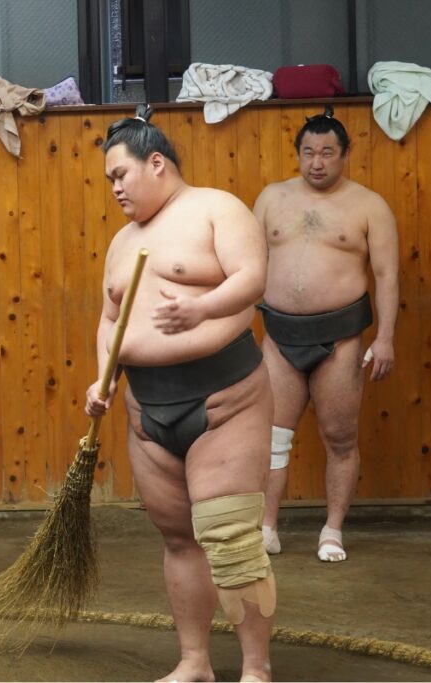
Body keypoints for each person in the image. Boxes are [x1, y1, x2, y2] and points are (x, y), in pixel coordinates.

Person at [86, 105, 275, 683]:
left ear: (158, 163)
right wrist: (105, 378)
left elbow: (251, 277)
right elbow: (108, 317)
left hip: (224, 400)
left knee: (229, 535)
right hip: (148, 411)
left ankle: (255, 669)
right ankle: (195, 662)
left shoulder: (217, 208)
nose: (114, 187)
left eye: (121, 174)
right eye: (109, 179)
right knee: (177, 539)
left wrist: (199, 306)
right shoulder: (122, 241)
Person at [254, 106, 398, 562]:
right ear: (298, 153)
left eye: (327, 153)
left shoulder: (370, 206)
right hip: (279, 336)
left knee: (340, 438)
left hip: (340, 340)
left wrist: (387, 338)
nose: (317, 162)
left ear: (344, 155)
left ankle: (332, 530)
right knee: (272, 437)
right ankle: (267, 526)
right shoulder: (271, 198)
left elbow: (387, 276)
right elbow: (247, 265)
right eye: (309, 152)